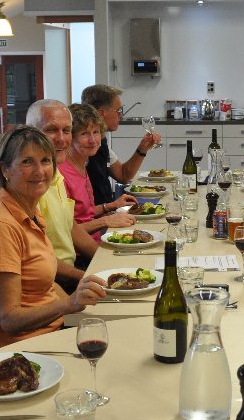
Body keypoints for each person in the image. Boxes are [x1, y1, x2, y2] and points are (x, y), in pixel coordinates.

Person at [0, 127, 106, 349]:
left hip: (55, 329)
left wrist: (87, 283)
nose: (39, 171)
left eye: (45, 161)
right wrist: (69, 303)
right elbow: (10, 320)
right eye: (27, 162)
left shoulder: (27, 208)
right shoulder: (0, 227)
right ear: (5, 170)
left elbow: (45, 269)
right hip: (28, 349)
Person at [25, 100, 100, 276]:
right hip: (52, 280)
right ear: (30, 132)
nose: (61, 139)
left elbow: (71, 227)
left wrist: (105, 261)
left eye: (66, 131)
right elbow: (37, 258)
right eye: (51, 130)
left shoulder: (55, 171)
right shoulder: (26, 182)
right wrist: (83, 277)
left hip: (69, 272)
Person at [62, 104, 138, 240]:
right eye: (84, 134)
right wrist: (105, 221)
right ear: (70, 137)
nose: (92, 140)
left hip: (95, 240)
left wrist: (110, 206)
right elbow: (67, 232)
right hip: (84, 250)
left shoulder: (82, 164)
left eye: (96, 132)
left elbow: (83, 213)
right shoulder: (61, 174)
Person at [81, 84, 161, 205]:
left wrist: (142, 149)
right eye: (118, 111)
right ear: (101, 113)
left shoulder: (101, 141)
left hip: (107, 210)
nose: (121, 116)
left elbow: (123, 175)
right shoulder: (83, 147)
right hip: (98, 214)